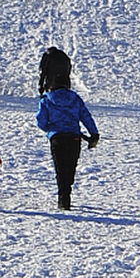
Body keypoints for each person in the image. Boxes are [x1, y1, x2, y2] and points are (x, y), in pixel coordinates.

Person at [34, 77, 99, 211]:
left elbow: (41, 121)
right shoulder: (75, 98)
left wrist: (50, 129)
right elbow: (86, 116)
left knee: (60, 168)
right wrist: (94, 133)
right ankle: (67, 194)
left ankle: (63, 199)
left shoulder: (46, 99)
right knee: (71, 167)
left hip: (57, 138)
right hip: (74, 137)